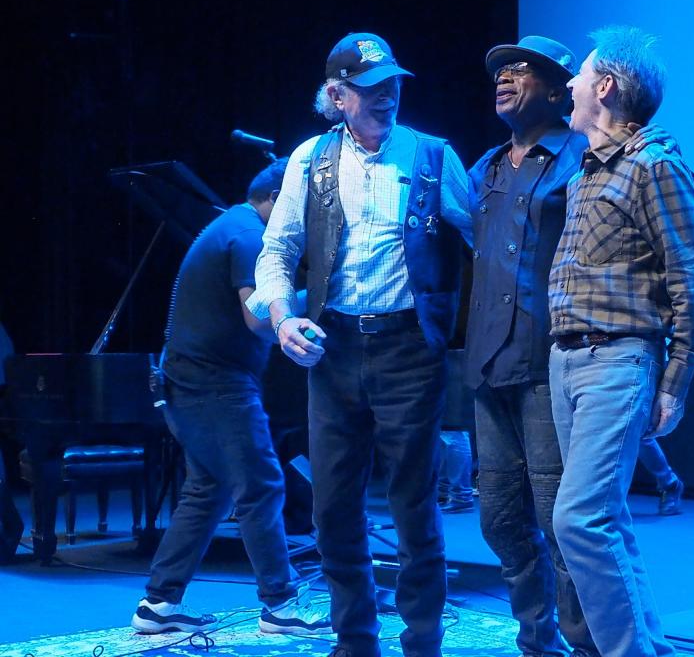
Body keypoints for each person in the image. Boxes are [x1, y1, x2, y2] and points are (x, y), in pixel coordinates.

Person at [247, 32, 471, 657]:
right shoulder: (309, 160)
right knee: (334, 508)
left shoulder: (432, 155)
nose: (387, 97)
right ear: (338, 95)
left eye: (393, 85)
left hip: (409, 349)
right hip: (335, 349)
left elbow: (486, 236)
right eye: (371, 89)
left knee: (414, 504)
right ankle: (355, 641)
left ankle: (422, 639)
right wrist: (283, 318)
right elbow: (278, 251)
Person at [466, 35, 680, 657]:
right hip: (496, 365)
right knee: (502, 521)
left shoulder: (586, 160)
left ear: (566, 91)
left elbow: (681, 272)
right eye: (500, 70)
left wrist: (677, 373)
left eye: (522, 70)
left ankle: (592, 646)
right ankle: (540, 642)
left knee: (572, 525)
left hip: (555, 360)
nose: (505, 78)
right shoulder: (487, 167)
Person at [548, 26, 694, 657]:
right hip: (567, 360)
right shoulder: (586, 172)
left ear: (607, 87)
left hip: (617, 359)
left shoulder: (656, 166)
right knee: (605, 521)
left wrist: (676, 380)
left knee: (581, 519)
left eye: (580, 74)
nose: (569, 83)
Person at [132, 158, 330, 635]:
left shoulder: (231, 225)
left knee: (208, 490)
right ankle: (280, 605)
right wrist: (317, 294)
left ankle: (158, 606)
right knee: (261, 485)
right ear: (280, 199)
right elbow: (259, 321)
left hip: (186, 381)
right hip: (214, 384)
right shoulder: (248, 237)